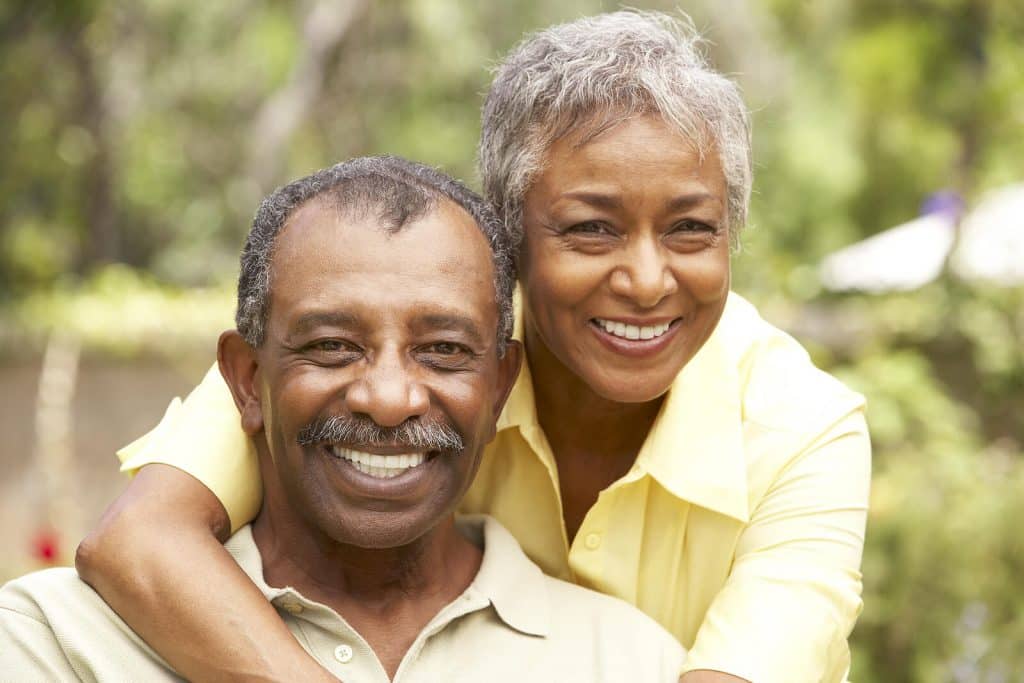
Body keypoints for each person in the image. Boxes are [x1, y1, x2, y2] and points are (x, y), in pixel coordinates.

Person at [76, 11, 871, 683]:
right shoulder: (381, 359)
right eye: (591, 227)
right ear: (506, 237)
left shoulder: (802, 431)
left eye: (691, 229)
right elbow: (140, 538)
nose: (646, 279)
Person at [0, 156, 686, 681]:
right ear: (245, 378)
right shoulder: (56, 643)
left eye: (443, 350)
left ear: (501, 383)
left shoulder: (627, 661)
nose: (388, 399)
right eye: (332, 346)